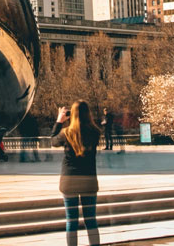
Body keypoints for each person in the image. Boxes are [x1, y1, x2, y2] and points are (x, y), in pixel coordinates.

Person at [52, 101, 102, 246]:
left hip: (70, 180)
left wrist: (59, 121)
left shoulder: (66, 133)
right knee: (91, 220)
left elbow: (53, 141)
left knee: (71, 221)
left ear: (72, 114)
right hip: (88, 180)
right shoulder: (95, 132)